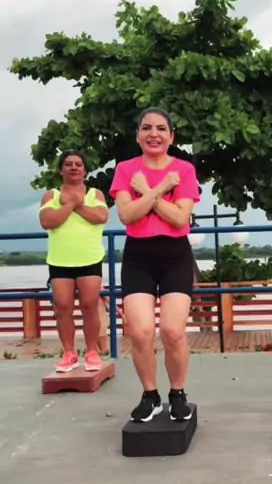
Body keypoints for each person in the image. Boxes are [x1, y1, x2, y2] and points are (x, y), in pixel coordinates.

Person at [110, 107, 200, 423]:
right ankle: (150, 395)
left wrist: (147, 192)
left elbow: (180, 218)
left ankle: (178, 393)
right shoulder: (125, 170)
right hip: (138, 257)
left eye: (161, 128)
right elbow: (127, 215)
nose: (154, 134)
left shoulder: (184, 170)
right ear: (138, 136)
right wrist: (162, 189)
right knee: (141, 331)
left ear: (171, 137)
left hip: (175, 255)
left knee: (173, 331)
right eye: (146, 128)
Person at [39, 150, 109, 373]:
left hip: (89, 258)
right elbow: (47, 221)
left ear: (85, 170)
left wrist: (77, 204)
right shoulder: (51, 196)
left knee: (90, 305)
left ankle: (92, 352)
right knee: (63, 307)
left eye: (78, 164)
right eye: (68, 164)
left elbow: (101, 217)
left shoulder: (95, 194)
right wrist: (70, 205)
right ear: (60, 170)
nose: (74, 167)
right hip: (60, 260)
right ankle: (69, 353)